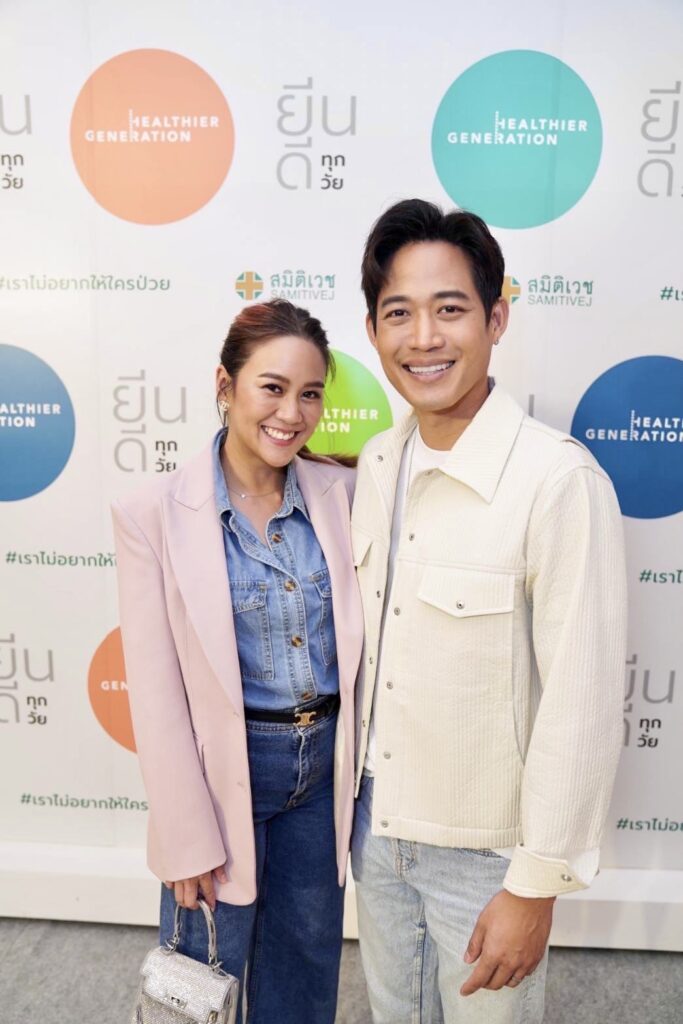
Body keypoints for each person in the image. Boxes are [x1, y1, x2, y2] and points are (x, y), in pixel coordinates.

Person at [350, 199, 627, 1023]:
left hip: (486, 861)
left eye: (449, 310)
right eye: (398, 313)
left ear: (495, 319)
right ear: (372, 331)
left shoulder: (556, 480)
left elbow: (580, 701)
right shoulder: (376, 462)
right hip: (374, 832)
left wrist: (534, 885)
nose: (423, 338)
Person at [112, 299, 363, 1024]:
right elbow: (155, 692)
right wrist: (183, 836)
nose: (291, 413)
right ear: (225, 385)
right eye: (272, 388)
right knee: (200, 981)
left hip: (321, 776)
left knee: (305, 974)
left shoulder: (344, 496)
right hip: (223, 777)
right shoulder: (152, 512)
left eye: (310, 393)